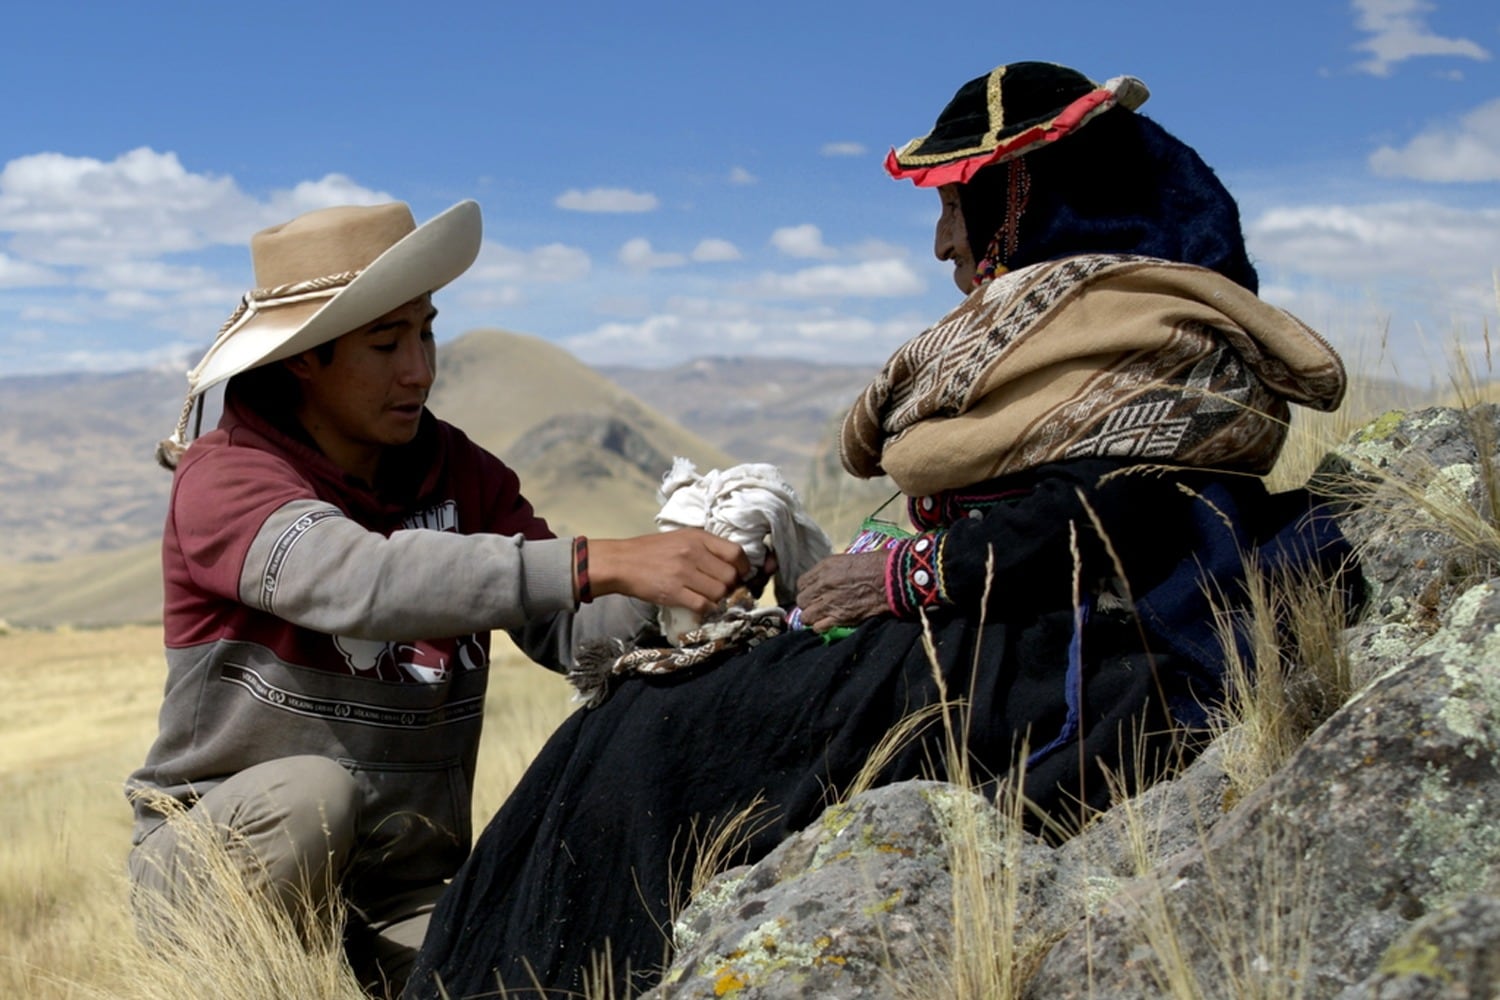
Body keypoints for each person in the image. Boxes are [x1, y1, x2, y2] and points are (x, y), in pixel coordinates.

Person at [403, 61, 1358, 999]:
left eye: (956, 205)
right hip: (993, 626)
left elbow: (1108, 513)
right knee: (628, 722)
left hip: (1051, 653)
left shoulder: (1147, 328)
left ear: (1024, 198)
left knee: (662, 737)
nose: (943, 244)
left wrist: (906, 577)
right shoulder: (1081, 320)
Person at [123, 200, 758, 998]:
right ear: (305, 360)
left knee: (527, 979)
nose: (418, 369)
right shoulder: (226, 475)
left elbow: (571, 632)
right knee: (310, 797)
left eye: (425, 333)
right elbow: (360, 580)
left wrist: (690, 581)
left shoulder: (462, 473)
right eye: (385, 343)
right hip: (218, 867)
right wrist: (598, 561)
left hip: (402, 889)